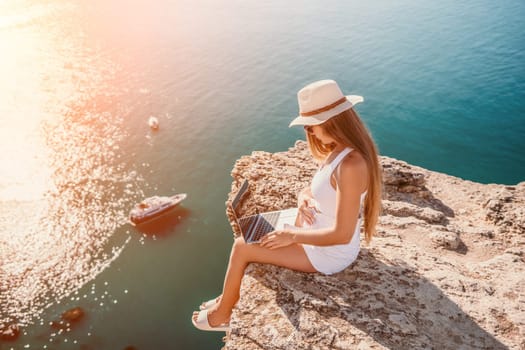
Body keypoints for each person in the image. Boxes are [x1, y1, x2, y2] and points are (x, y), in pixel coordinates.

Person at [192, 79, 382, 332]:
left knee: (242, 248)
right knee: (252, 228)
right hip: (312, 227)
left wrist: (292, 235)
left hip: (329, 252)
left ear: (329, 122)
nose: (310, 133)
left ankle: (223, 313)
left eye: (311, 126)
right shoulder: (339, 150)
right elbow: (321, 189)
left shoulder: (352, 164)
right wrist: (305, 198)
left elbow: (342, 234)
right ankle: (228, 296)